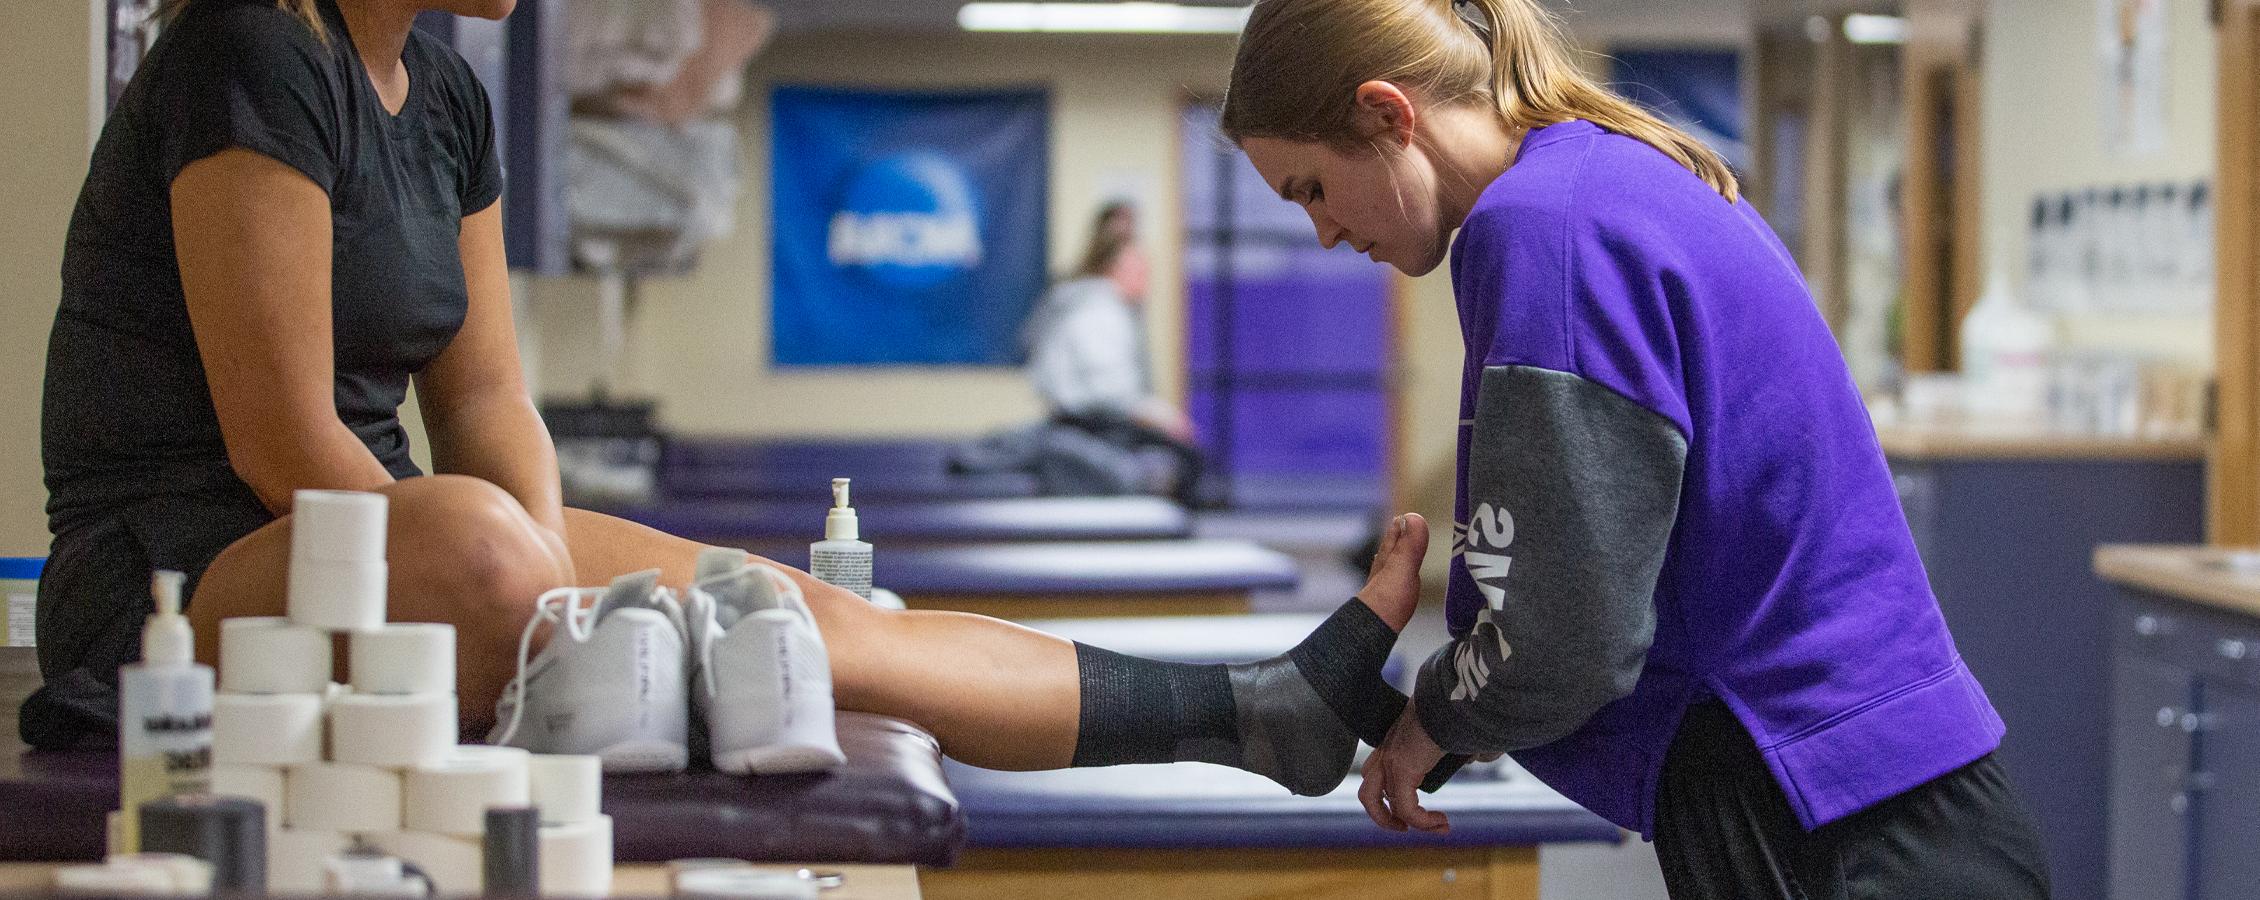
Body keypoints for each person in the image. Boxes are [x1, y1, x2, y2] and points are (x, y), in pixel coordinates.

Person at [29, 0, 1434, 805]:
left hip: (411, 540)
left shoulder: (449, 95)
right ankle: (510, 595)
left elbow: (490, 398)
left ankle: (1255, 711)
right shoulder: (252, 48)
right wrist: (526, 590)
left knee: (802, 612)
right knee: (473, 546)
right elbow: (283, 444)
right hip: (188, 571)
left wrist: (538, 582)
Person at [1218, 0, 2051, 897]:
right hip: (1875, 785)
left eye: (1309, 188)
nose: (1325, 231)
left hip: (1822, 805)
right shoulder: (1611, 178)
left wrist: (1438, 714)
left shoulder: (1541, 229)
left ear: (1387, 113)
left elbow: (1566, 634)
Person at [1021, 203, 1207, 504]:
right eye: (1140, 269)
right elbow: (1110, 391)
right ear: (1116, 268)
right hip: (1093, 424)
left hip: (1092, 420)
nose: (1146, 278)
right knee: (1187, 458)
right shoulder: (1099, 310)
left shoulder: (1091, 303)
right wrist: (1162, 415)